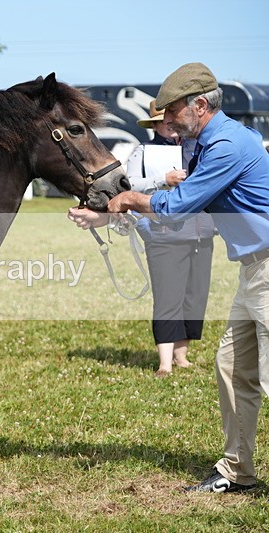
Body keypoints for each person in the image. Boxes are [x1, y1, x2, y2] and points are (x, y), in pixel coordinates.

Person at [68, 62, 269, 493]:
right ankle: (238, 472)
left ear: (199, 105)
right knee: (233, 369)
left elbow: (177, 204)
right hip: (255, 271)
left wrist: (125, 199)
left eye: (172, 112)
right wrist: (106, 214)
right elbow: (179, 203)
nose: (167, 122)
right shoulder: (206, 143)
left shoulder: (228, 146)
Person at [126, 99, 216, 377]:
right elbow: (128, 184)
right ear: (155, 125)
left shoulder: (197, 148)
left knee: (195, 294)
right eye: (165, 121)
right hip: (163, 233)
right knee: (167, 295)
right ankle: (164, 362)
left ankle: (181, 355)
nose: (171, 125)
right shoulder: (143, 151)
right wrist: (162, 179)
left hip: (201, 231)